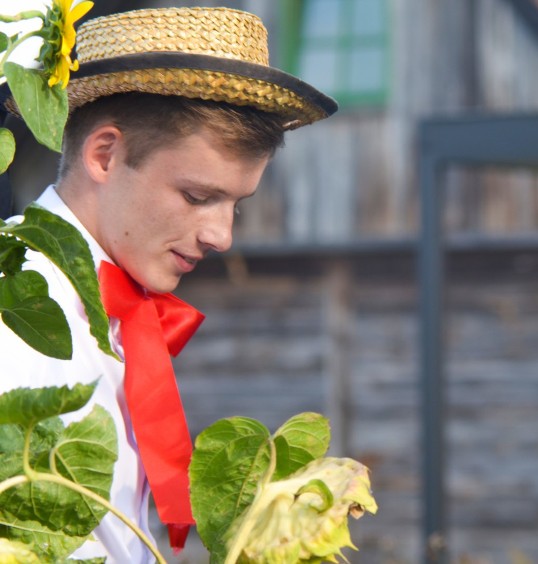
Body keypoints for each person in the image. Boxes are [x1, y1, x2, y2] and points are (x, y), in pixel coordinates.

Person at [0, 6, 336, 563]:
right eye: (198, 197)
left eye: (236, 205)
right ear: (104, 156)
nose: (221, 236)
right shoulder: (16, 300)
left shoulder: (113, 307)